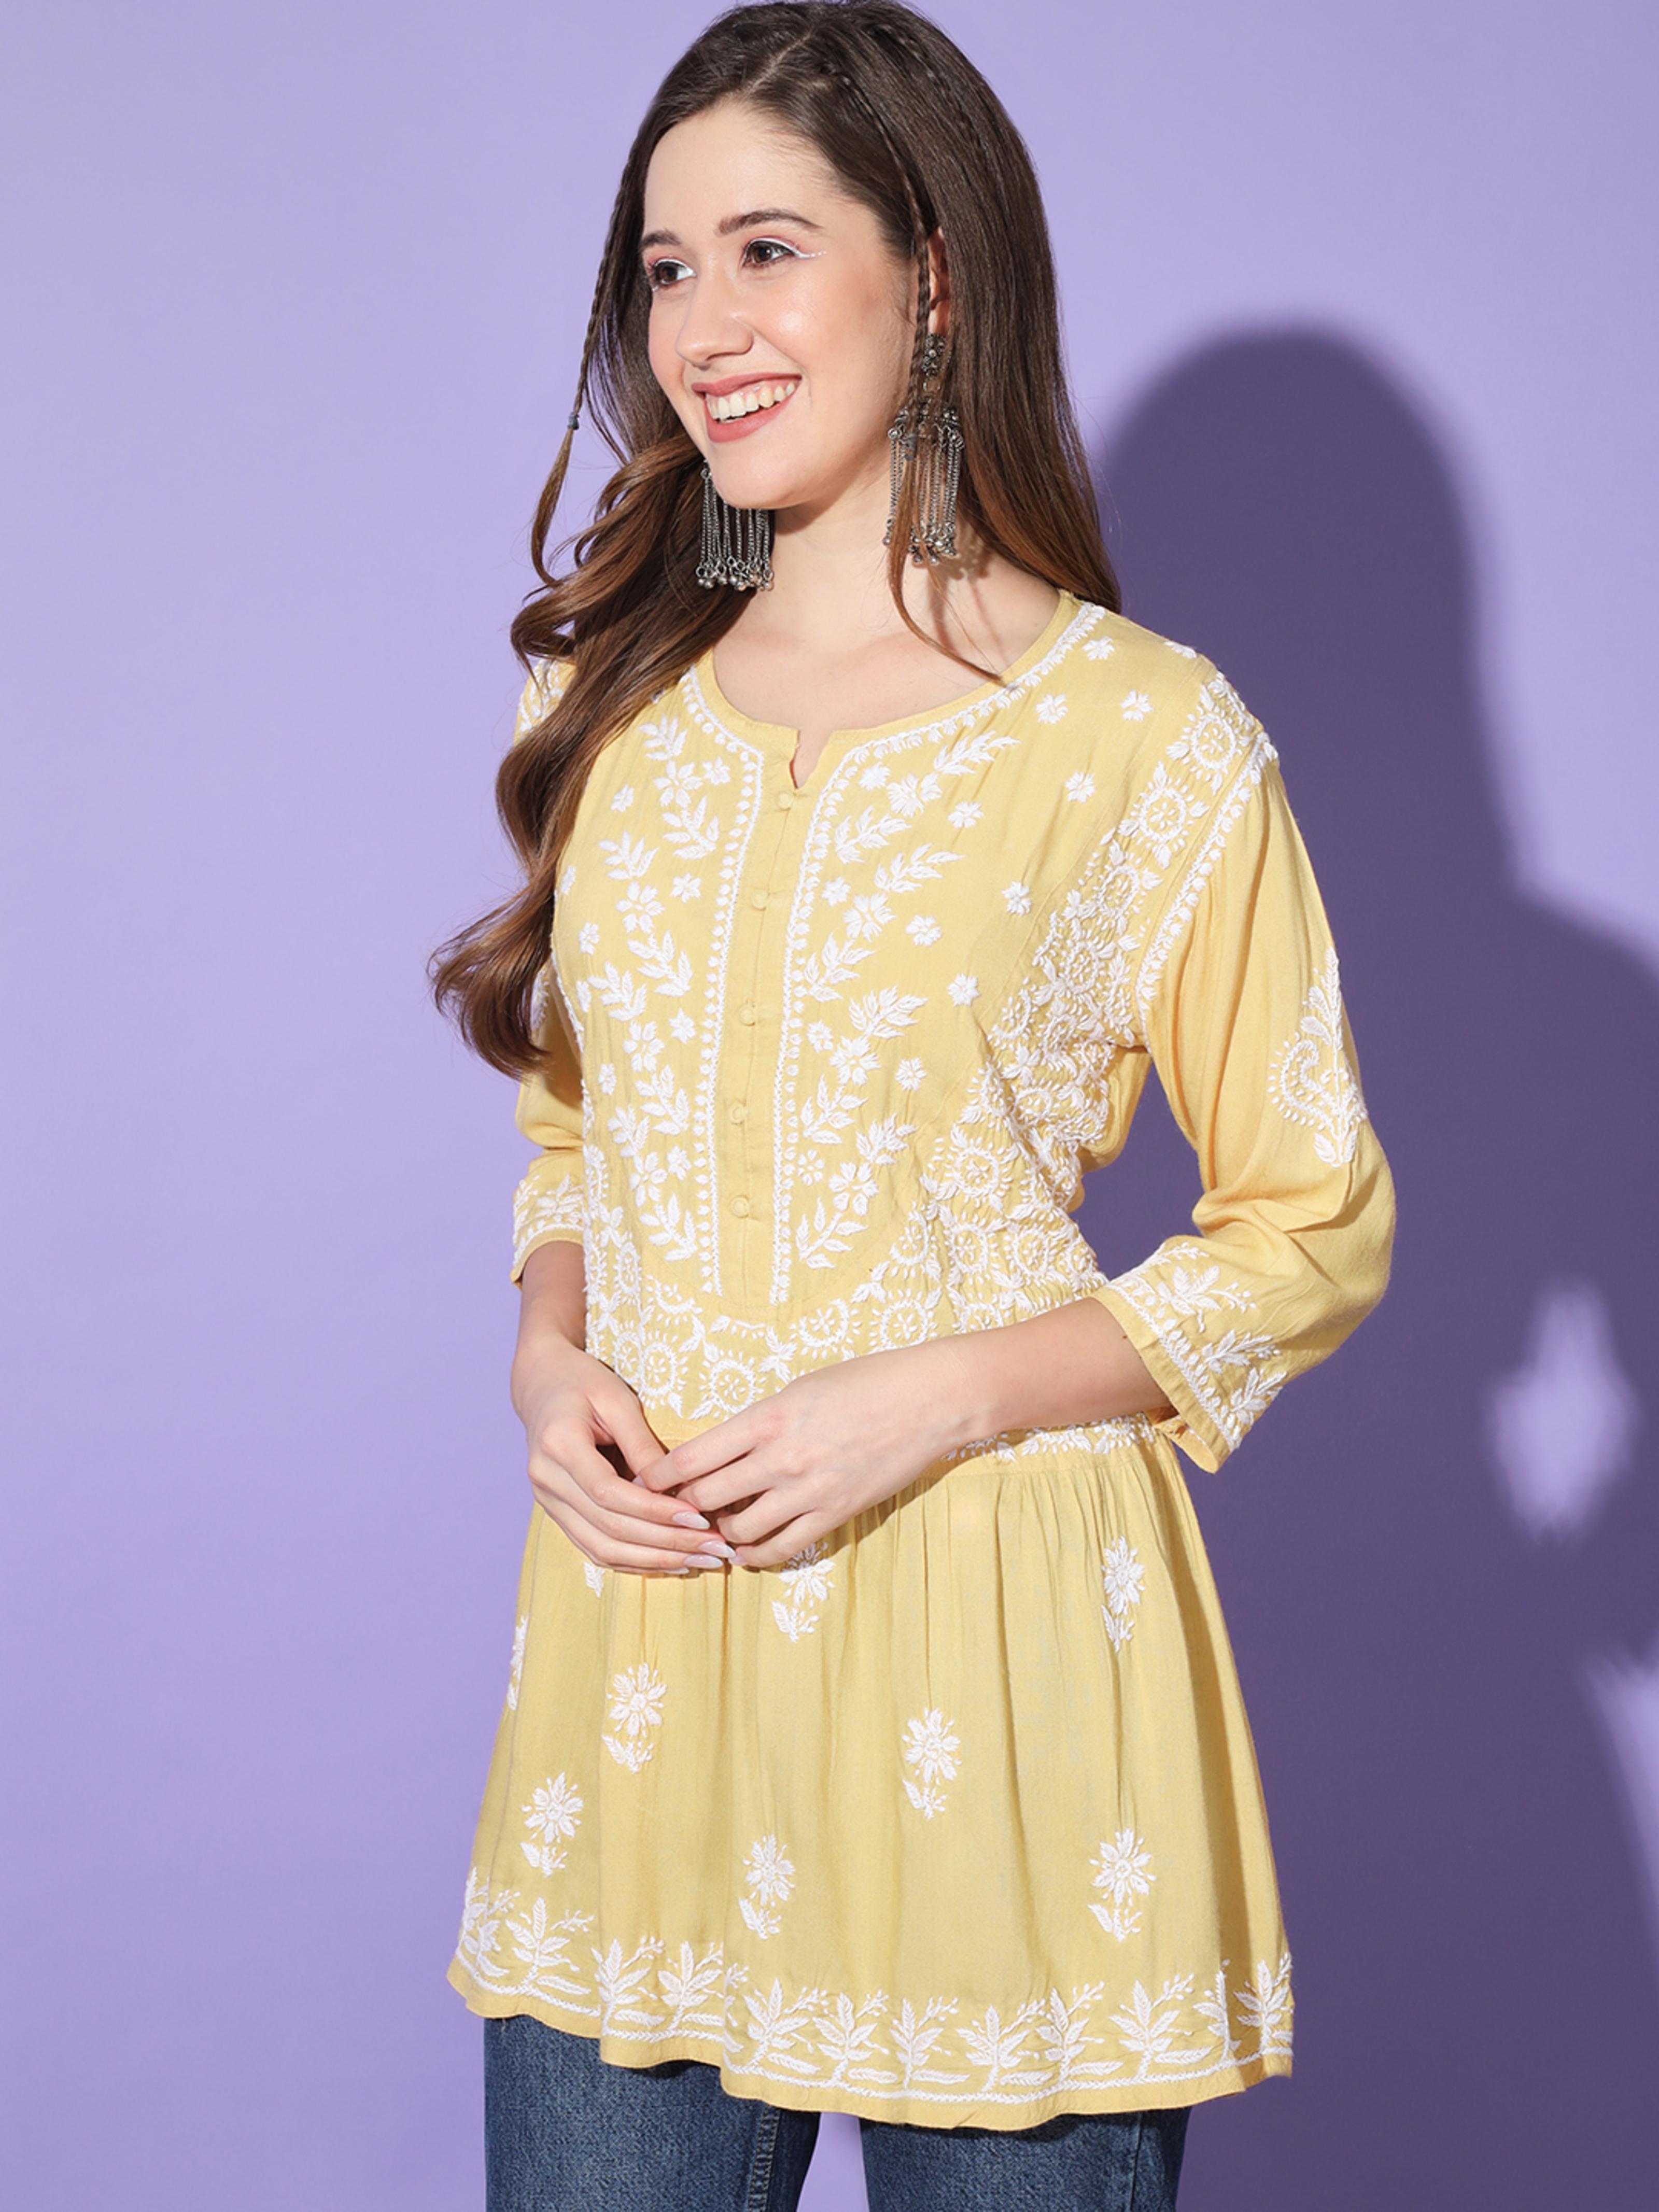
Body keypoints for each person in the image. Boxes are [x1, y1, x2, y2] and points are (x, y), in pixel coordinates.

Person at [431, 4, 1396, 2205]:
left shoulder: (1142, 737)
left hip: (1005, 1672)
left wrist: (935, 1396)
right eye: (665, 269)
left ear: (932, 277)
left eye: (767, 250)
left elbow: (1310, 1219)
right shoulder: (610, 696)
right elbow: (578, 1128)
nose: (703, 327)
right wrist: (549, 1354)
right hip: (644, 1670)